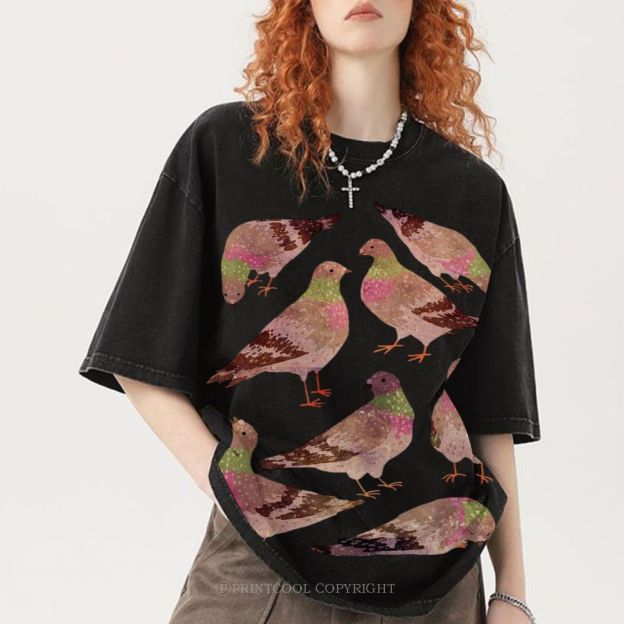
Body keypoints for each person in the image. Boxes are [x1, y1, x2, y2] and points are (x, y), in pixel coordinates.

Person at [78, 1, 540, 622]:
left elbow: (490, 413)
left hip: (440, 579)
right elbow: (140, 351)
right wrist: (236, 490)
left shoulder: (474, 192)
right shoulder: (226, 147)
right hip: (262, 568)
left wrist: (512, 591)